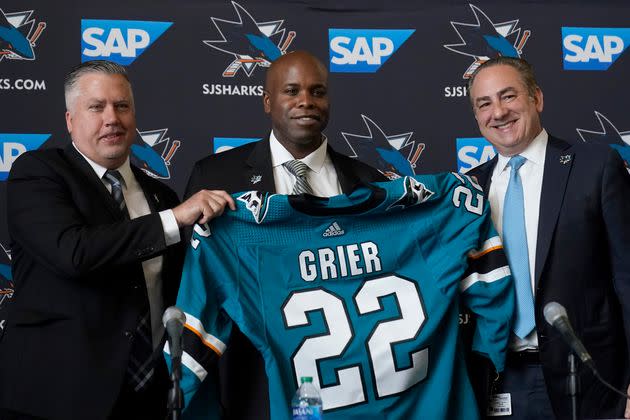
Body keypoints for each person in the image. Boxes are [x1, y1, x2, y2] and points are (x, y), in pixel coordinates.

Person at [0, 60, 234, 420]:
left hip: (148, 397)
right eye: (96, 107)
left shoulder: (161, 196)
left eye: (122, 106)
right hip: (54, 397)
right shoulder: (37, 174)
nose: (112, 118)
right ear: (70, 120)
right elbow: (74, 253)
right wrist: (173, 219)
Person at [185, 50, 387, 419]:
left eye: (318, 91)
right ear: (267, 101)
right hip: (253, 388)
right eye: (291, 91)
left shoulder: (371, 183)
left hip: (352, 385)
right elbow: (196, 291)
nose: (305, 102)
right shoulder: (215, 177)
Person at [467, 56, 630, 419]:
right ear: (477, 117)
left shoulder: (595, 166)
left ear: (536, 99)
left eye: (508, 96)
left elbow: (628, 278)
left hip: (591, 380)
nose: (498, 112)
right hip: (501, 379)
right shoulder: (468, 189)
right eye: (484, 103)